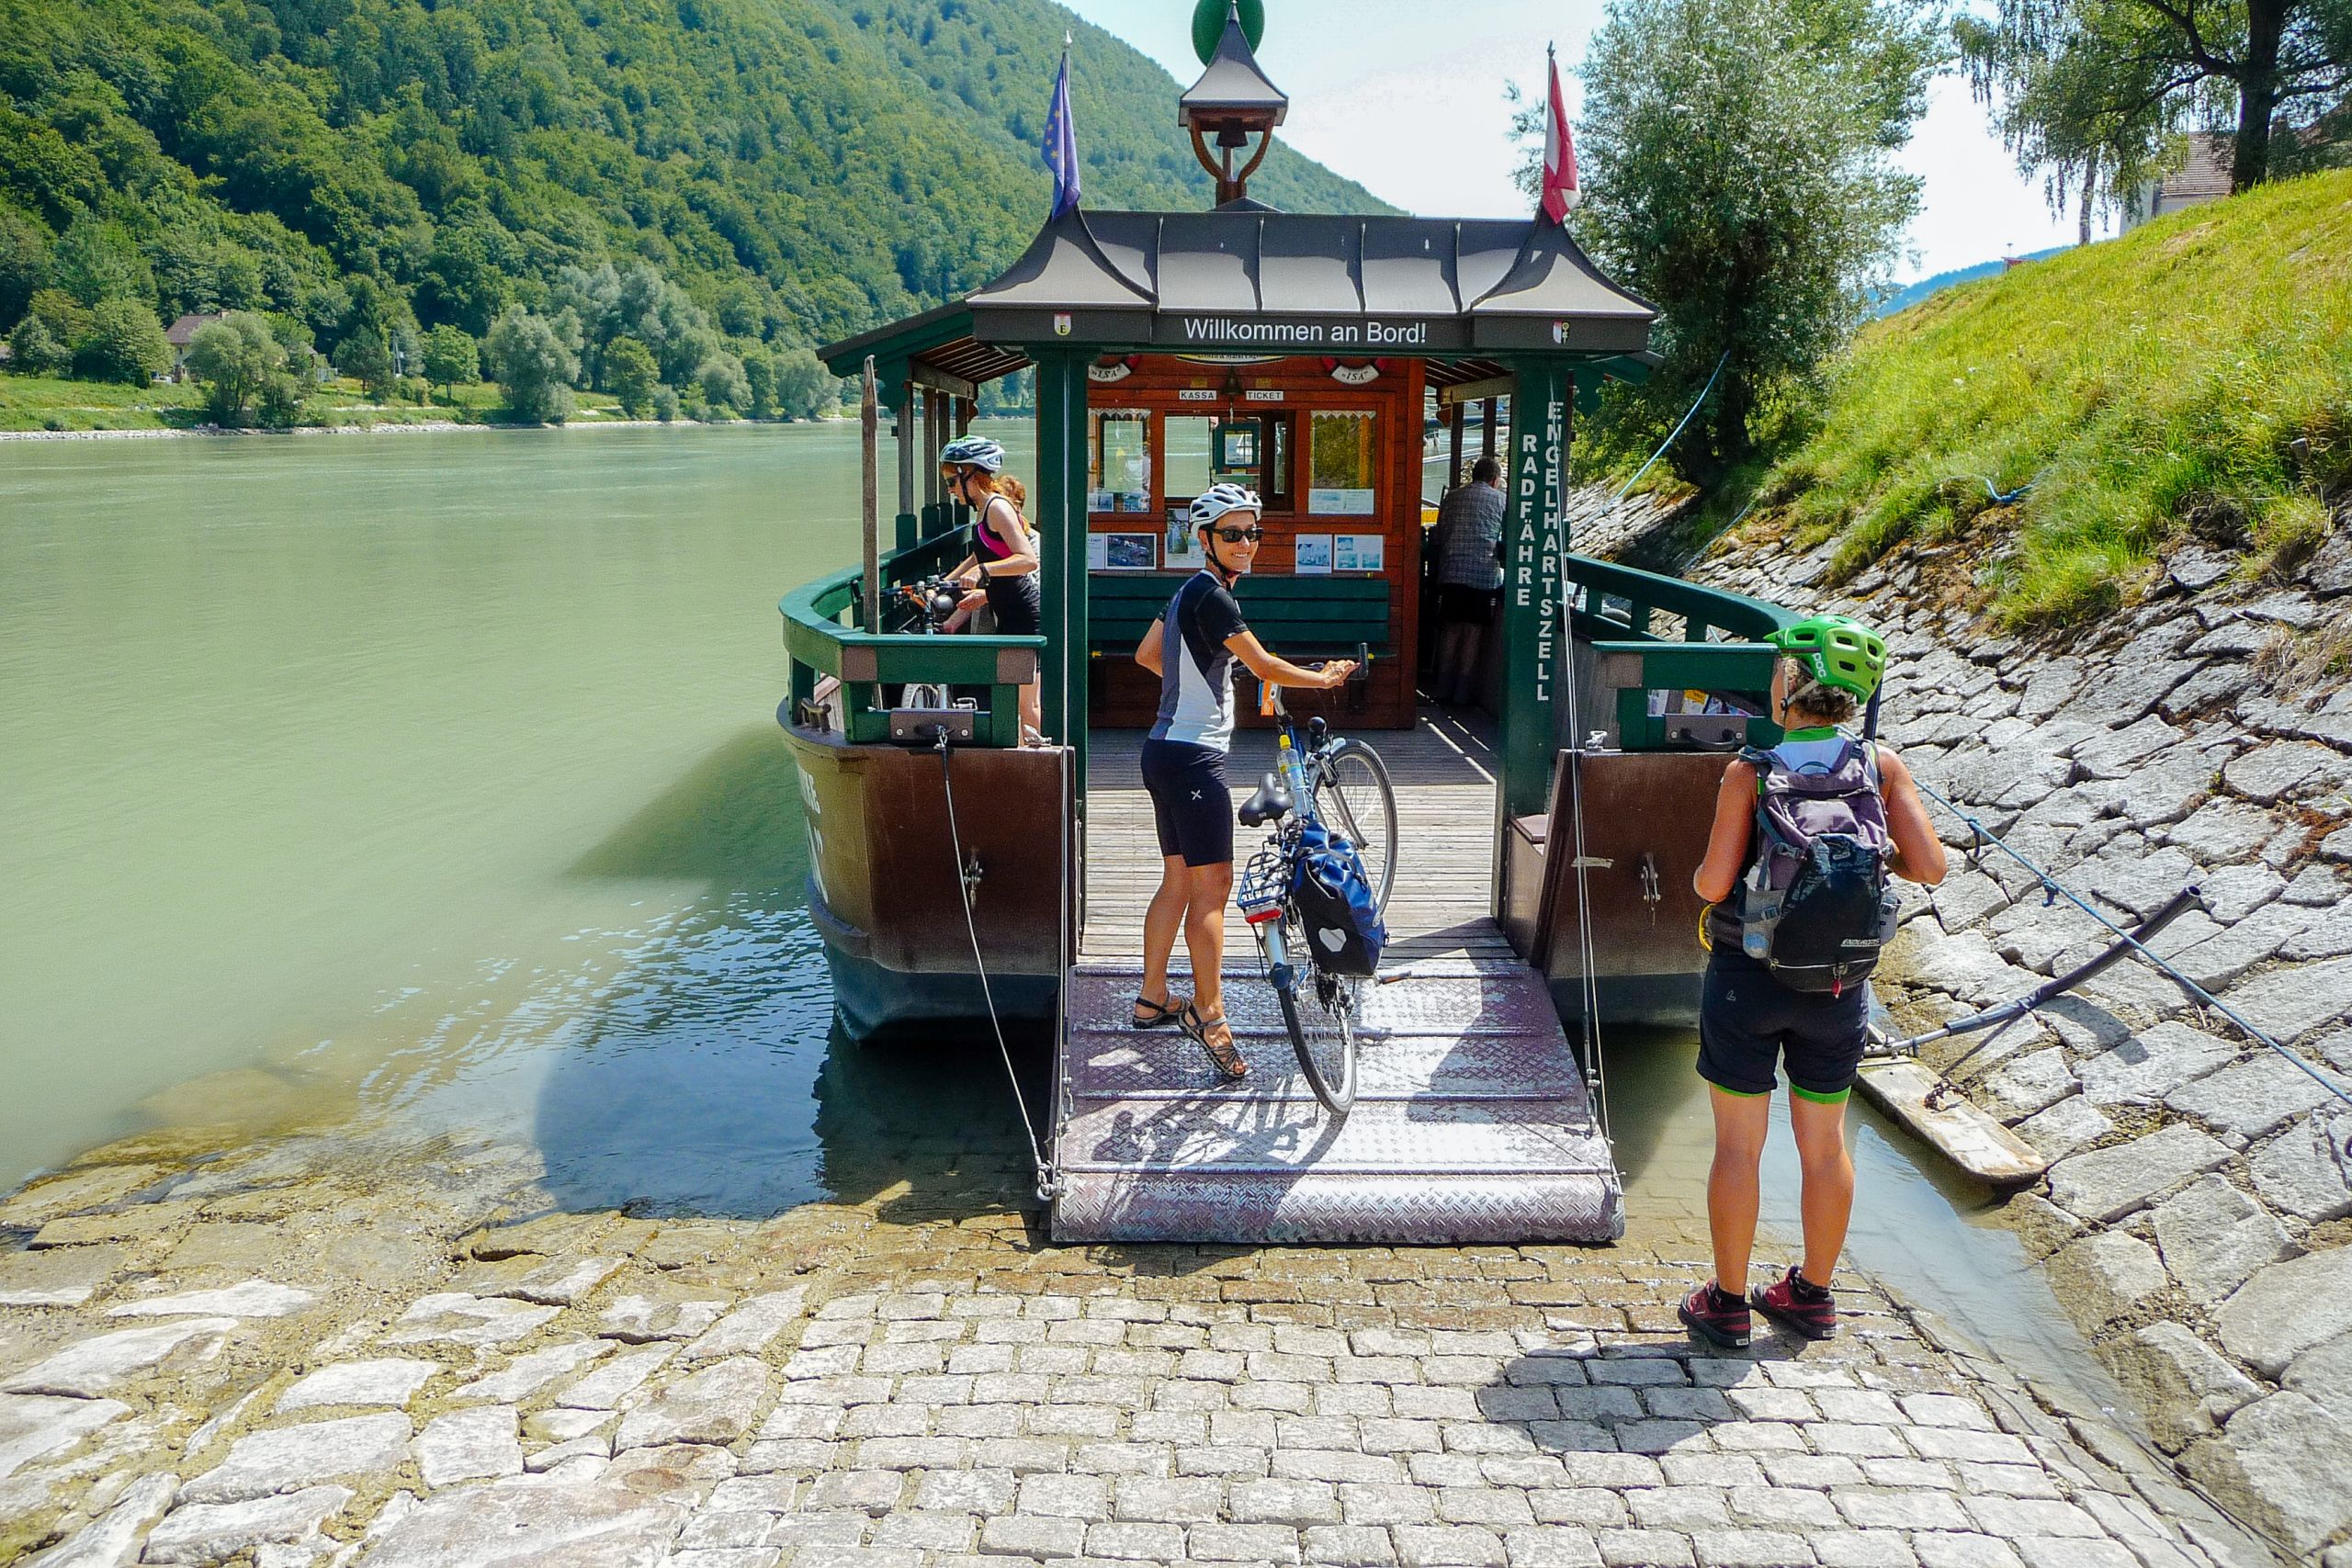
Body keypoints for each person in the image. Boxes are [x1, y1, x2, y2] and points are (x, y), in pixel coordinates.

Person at [1677, 614, 1947, 1348]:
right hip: (1838, 985)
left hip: (1747, 978)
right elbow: (1930, 867)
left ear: (1790, 684)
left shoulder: (1750, 772)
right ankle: (1812, 1295)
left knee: (1739, 1145)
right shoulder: (1881, 767)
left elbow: (1710, 884)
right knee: (1824, 1144)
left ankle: (1727, 1302)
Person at [1132, 483, 1355, 1075]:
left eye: (1253, 533)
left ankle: (1153, 997)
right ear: (1205, 540)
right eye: (1232, 534)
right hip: (1194, 759)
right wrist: (1324, 678)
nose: (1246, 544)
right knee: (1213, 891)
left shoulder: (1187, 593)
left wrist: (1202, 686)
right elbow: (1263, 665)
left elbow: (1150, 654)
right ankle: (1211, 1017)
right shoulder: (1215, 598)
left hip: (1163, 750)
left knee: (1178, 880)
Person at [936, 435, 1045, 742]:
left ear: (969, 474)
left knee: (1028, 702)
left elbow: (1027, 560)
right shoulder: (984, 511)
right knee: (1011, 696)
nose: (950, 490)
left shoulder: (998, 508)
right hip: (1006, 611)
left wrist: (983, 572)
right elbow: (980, 554)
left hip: (1024, 614)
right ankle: (1020, 755)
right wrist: (948, 582)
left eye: (950, 481)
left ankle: (1037, 768)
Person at [1430, 455, 1505, 705]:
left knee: (1451, 630)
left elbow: (1439, 535)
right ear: (1494, 480)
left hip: (1452, 571)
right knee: (1472, 634)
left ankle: (1442, 688)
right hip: (1482, 574)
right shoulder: (1500, 500)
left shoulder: (1452, 497)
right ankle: (1462, 692)